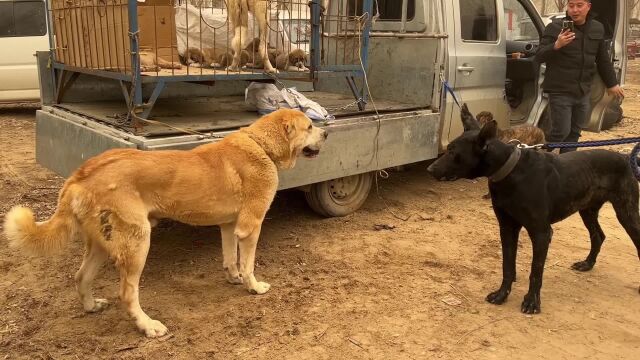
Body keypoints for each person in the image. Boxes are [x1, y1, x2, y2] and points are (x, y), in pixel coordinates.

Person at [535, 0, 624, 153]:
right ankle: (541, 163)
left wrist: (612, 83)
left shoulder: (597, 28)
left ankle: (567, 166)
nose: (574, 10)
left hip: (583, 90)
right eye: (571, 5)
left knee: (575, 132)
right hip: (560, 90)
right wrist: (556, 45)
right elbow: (539, 56)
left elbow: (602, 60)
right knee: (560, 132)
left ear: (588, 7)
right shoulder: (555, 27)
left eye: (579, 5)